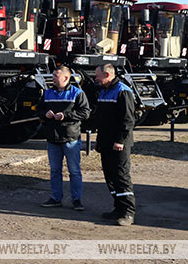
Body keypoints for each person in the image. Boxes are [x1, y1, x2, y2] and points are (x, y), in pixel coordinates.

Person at [38, 66, 90, 211]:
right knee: (55, 170)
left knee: (74, 171)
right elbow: (39, 109)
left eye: (56, 76)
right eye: (53, 75)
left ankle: (77, 200)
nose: (53, 78)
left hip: (70, 138)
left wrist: (65, 116)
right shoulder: (47, 93)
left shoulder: (77, 93)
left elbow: (85, 113)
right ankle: (56, 198)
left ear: (66, 78)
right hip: (52, 139)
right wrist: (44, 114)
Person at [94, 63, 136, 226]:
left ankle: (128, 212)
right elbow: (102, 120)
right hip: (106, 142)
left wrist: (120, 140)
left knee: (121, 176)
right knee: (110, 176)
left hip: (119, 144)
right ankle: (118, 208)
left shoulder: (123, 90)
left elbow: (127, 120)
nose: (96, 79)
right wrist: (99, 141)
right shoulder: (104, 90)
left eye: (97, 76)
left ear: (106, 75)